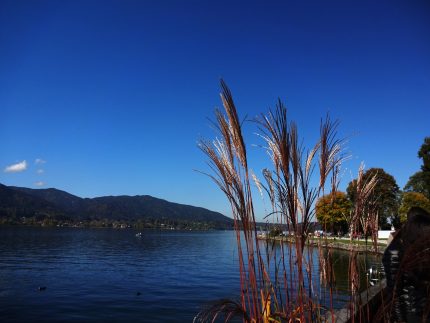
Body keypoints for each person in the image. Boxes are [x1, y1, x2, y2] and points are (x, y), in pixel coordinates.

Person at [382, 207, 430, 322]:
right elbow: (394, 292)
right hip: (413, 314)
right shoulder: (397, 250)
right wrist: (400, 319)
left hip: (422, 310)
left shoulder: (416, 248)